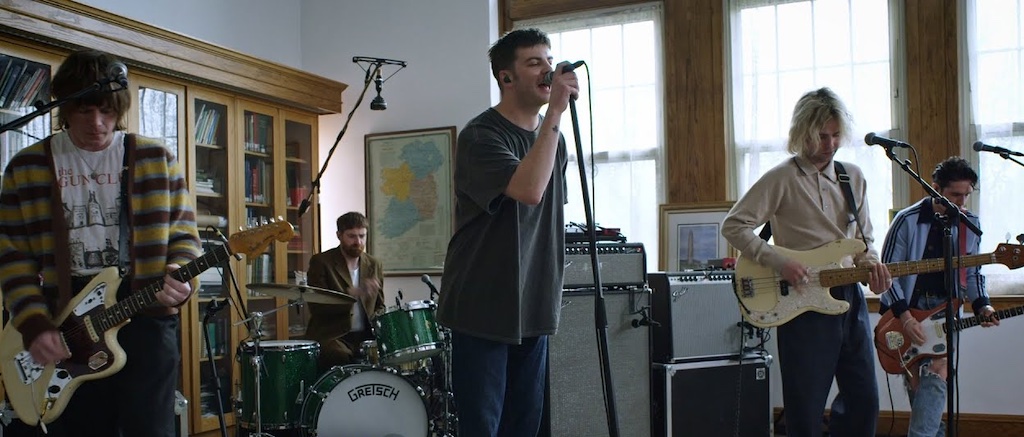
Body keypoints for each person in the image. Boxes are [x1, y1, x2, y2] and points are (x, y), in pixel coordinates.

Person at [0, 49, 201, 436]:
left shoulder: (156, 159)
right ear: (64, 107)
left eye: (107, 111)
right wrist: (34, 324)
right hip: (63, 319)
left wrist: (179, 271)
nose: (97, 123)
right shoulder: (26, 168)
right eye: (84, 111)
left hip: (146, 315)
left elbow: (183, 234)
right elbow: (12, 258)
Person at [721, 87, 891, 437]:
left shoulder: (852, 176)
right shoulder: (781, 178)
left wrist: (872, 263)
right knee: (806, 407)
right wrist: (779, 261)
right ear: (802, 134)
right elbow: (734, 225)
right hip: (800, 301)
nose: (830, 144)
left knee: (864, 401)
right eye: (821, 136)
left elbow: (864, 239)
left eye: (835, 136)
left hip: (849, 297)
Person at [435, 28, 576, 437]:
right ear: (506, 77)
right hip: (483, 304)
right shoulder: (481, 136)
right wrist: (554, 115)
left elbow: (551, 213)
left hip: (533, 301)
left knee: (525, 425)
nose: (548, 71)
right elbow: (529, 191)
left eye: (550, 61)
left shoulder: (556, 141)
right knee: (483, 427)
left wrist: (551, 124)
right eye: (534, 63)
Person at [879, 156, 999, 437]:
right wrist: (905, 318)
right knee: (918, 385)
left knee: (937, 372)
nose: (962, 203)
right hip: (906, 310)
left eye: (966, 195)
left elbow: (973, 273)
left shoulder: (970, 224)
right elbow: (887, 275)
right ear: (935, 189)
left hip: (946, 310)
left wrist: (983, 305)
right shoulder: (906, 220)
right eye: (955, 195)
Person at [303, 211, 384, 372]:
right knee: (339, 355)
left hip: (365, 336)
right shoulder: (321, 262)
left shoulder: (374, 264)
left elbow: (379, 306)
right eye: (352, 236)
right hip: (333, 335)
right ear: (339, 235)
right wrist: (354, 294)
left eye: (362, 236)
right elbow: (317, 307)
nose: (358, 242)